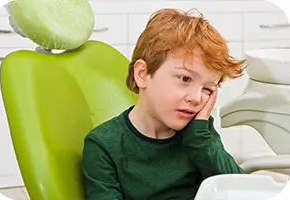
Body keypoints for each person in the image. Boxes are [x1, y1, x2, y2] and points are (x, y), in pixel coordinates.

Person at [82, 8, 246, 200]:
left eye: (207, 89)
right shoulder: (103, 146)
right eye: (185, 79)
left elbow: (241, 189)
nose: (196, 98)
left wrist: (200, 138)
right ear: (142, 74)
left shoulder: (199, 134)